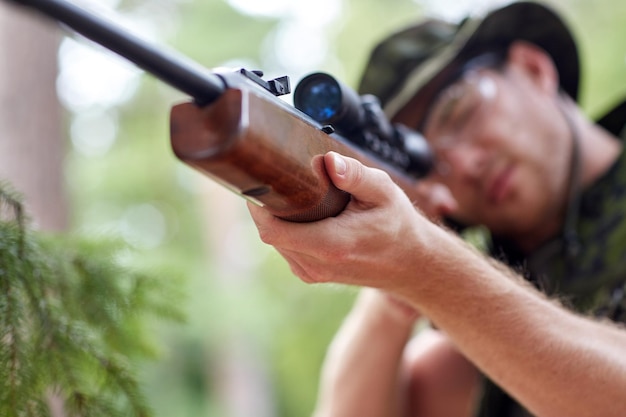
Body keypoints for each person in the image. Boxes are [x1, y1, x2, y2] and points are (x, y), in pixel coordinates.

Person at [248, 2, 626, 416]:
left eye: (460, 112)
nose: (462, 166)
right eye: (432, 165)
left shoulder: (479, 311)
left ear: (533, 68)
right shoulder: (469, 344)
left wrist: (428, 266)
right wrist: (395, 287)